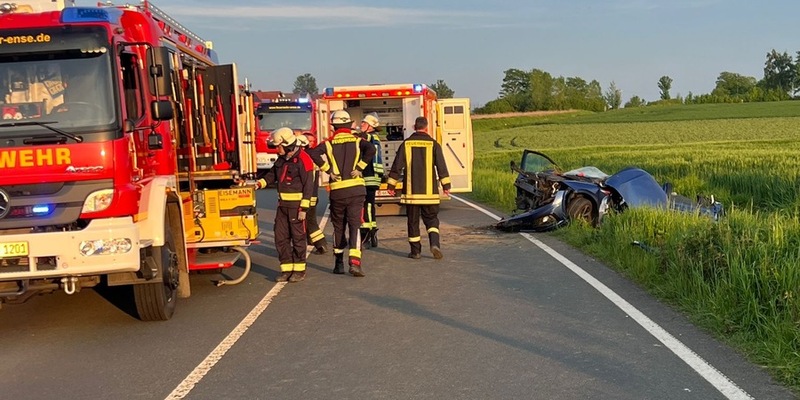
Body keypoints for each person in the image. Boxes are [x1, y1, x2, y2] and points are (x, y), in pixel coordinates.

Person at [307, 110, 375, 277]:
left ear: (334, 126)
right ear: (349, 125)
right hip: (356, 191)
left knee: (338, 227)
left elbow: (312, 153)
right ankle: (355, 264)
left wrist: (327, 170)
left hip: (337, 192)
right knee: (354, 226)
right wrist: (360, 167)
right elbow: (372, 150)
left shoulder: (328, 143)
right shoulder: (358, 140)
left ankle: (338, 264)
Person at [255, 127, 316, 282]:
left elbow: (309, 186)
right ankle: (286, 268)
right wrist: (259, 184)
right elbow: (271, 175)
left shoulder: (304, 159)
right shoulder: (282, 159)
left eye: (278, 146)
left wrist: (304, 208)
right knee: (280, 237)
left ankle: (299, 270)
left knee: (298, 238)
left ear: (287, 144)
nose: (277, 149)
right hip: (282, 206)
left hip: (297, 208)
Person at [386, 116, 451, 260]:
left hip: (412, 194)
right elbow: (441, 166)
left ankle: (415, 252)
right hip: (430, 194)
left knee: (413, 222)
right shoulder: (434, 145)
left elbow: (397, 165)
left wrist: (391, 185)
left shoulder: (406, 144)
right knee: (432, 220)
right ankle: (435, 244)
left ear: (415, 127)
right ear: (426, 127)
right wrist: (446, 186)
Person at [354, 112, 383, 249]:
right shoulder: (372, 137)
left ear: (370, 127)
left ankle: (368, 234)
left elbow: (362, 137)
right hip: (371, 176)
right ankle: (371, 233)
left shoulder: (371, 137)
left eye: (364, 123)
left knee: (367, 206)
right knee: (368, 205)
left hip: (369, 176)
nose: (361, 125)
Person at [296, 133, 329, 254]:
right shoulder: (310, 155)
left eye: (312, 141)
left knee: (310, 221)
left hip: (307, 196)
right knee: (309, 220)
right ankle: (311, 240)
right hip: (312, 194)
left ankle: (321, 244)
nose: (311, 143)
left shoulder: (305, 156)